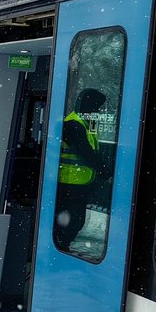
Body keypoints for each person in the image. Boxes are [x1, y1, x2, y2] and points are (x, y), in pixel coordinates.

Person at [54, 88, 106, 251]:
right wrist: (104, 170)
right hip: (69, 182)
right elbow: (85, 151)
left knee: (73, 220)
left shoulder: (83, 123)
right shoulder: (74, 124)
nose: (98, 111)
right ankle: (61, 247)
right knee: (73, 221)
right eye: (97, 107)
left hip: (78, 183)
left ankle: (62, 246)